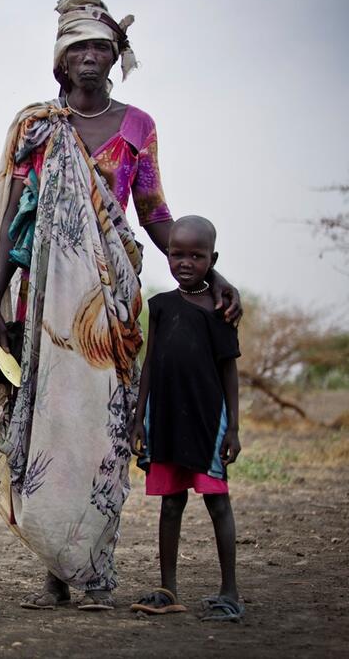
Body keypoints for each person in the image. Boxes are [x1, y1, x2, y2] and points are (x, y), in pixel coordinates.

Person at [0, 0, 243, 611]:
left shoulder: (138, 126)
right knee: (46, 427)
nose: (91, 59)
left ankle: (96, 572)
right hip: (40, 301)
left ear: (115, 55)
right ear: (61, 61)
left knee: (103, 432)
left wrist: (211, 275)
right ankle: (56, 573)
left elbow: (152, 213)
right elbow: (8, 222)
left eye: (102, 48)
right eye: (79, 49)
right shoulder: (35, 126)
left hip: (109, 303)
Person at [129, 216, 244, 622]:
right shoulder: (160, 307)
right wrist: (138, 417)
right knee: (171, 504)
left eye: (196, 256)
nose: (185, 263)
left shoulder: (220, 310)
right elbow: (148, 367)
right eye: (177, 254)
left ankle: (229, 591)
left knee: (217, 503)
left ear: (212, 259)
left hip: (206, 420)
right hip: (165, 421)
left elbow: (229, 370)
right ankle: (167, 589)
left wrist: (232, 427)